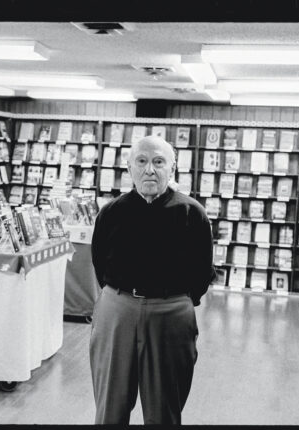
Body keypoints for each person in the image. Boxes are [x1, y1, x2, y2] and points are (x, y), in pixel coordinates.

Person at [89, 135, 214, 424]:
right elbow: (99, 263)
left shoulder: (192, 213)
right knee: (110, 405)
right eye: (142, 162)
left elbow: (202, 271)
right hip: (117, 310)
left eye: (159, 162)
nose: (149, 170)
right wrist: (120, 299)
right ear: (129, 167)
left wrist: (175, 301)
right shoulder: (111, 212)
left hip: (171, 313)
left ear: (172, 168)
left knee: (164, 410)